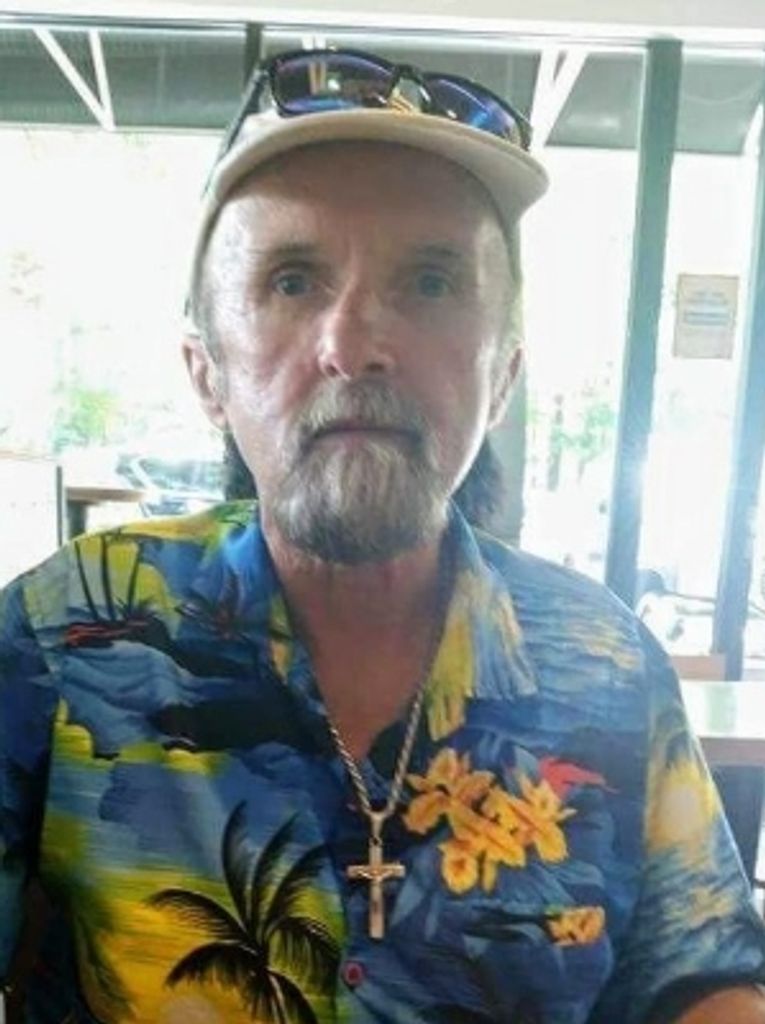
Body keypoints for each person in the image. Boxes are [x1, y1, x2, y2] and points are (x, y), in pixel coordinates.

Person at [1, 47, 765, 1024]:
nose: (354, 344)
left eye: (432, 283)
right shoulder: (66, 636)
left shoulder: (607, 665)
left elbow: (702, 979)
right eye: (292, 281)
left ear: (502, 377)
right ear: (207, 374)